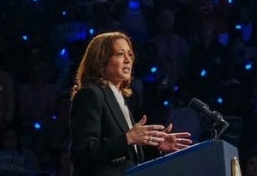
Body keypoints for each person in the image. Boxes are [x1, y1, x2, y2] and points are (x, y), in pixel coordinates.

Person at [70, 31, 192, 176]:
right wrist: (128, 138)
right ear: (101, 60)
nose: (128, 60)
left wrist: (155, 145)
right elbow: (83, 152)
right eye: (120, 54)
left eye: (130, 54)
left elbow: (127, 158)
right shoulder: (90, 95)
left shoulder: (119, 98)